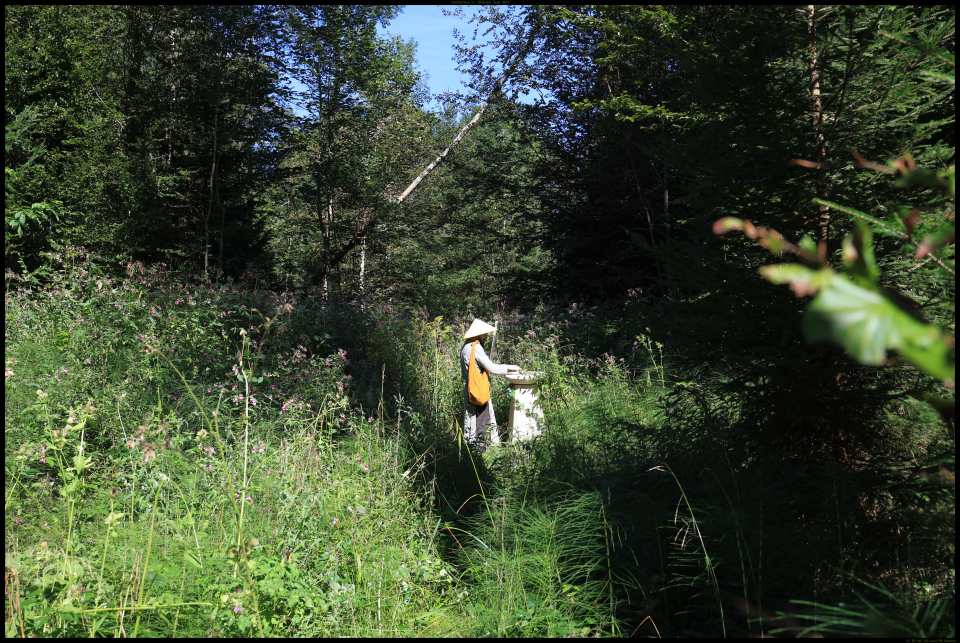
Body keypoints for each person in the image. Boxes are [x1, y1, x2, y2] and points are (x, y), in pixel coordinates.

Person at [460, 319, 520, 452]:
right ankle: (480, 452)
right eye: (484, 334)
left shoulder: (465, 347)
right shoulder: (475, 347)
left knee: (472, 422)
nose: (486, 336)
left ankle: (473, 451)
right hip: (478, 390)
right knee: (481, 422)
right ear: (477, 334)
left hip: (470, 388)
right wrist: (510, 367)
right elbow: (491, 368)